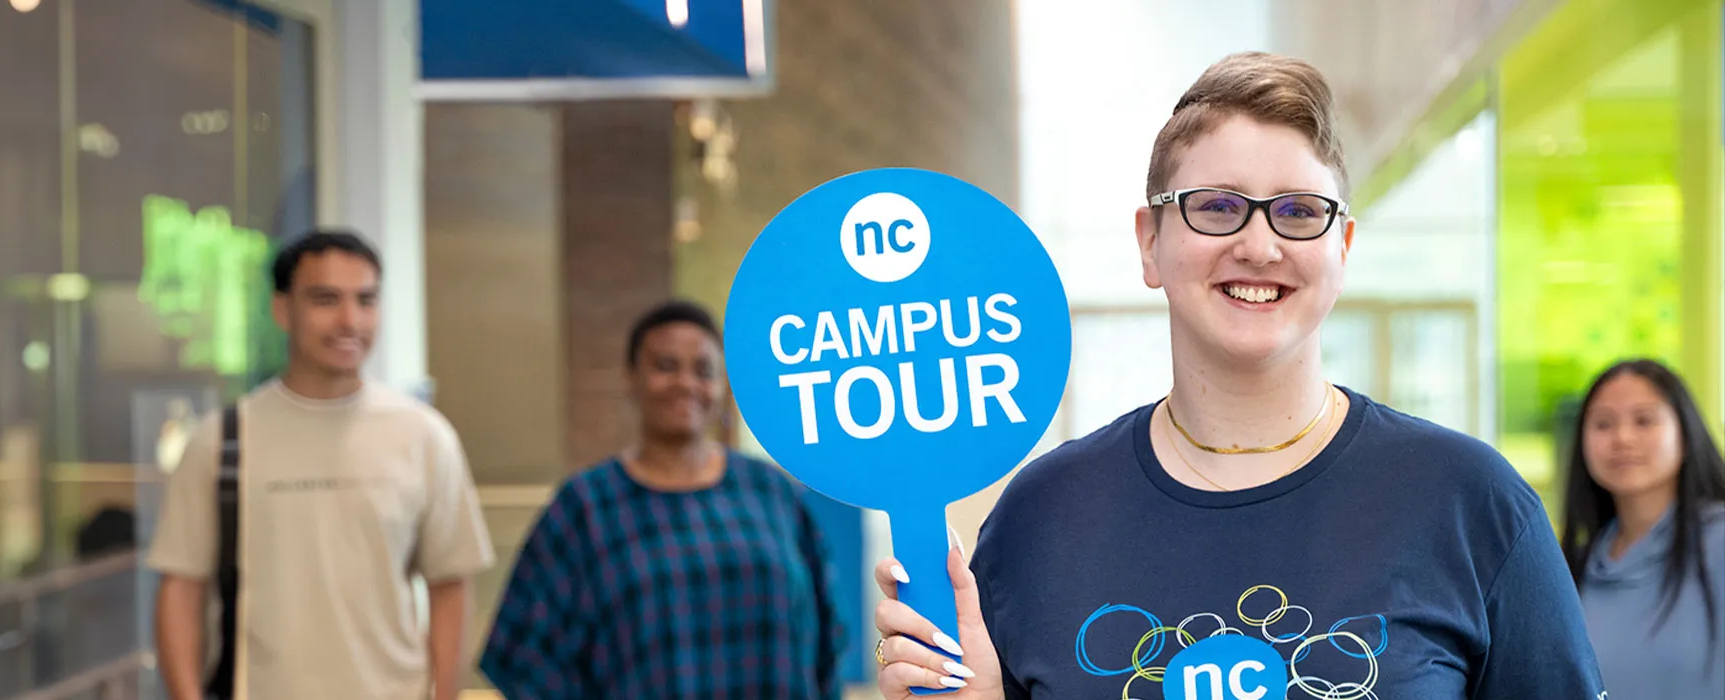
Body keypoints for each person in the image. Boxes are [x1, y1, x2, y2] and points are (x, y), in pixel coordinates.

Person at [866, 52, 1607, 699]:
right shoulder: (1040, 520)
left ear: (1342, 248)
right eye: (1217, 207)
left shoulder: (1470, 504)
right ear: (1150, 242)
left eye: (1299, 211)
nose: (1259, 243)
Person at [148, 230, 495, 700]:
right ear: (282, 310)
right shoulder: (223, 440)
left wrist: (443, 695)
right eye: (326, 300)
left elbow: (450, 587)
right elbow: (182, 589)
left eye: (366, 300)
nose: (350, 320)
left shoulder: (424, 438)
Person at [479, 299, 849, 698]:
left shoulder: (771, 493)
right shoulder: (586, 508)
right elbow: (523, 656)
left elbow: (828, 635)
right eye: (665, 366)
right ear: (631, 378)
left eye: (703, 370)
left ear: (723, 386)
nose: (685, 384)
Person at [1562, 358, 1725, 697]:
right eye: (1603, 424)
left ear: (1685, 430)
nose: (1623, 438)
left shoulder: (1718, 541)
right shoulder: (1570, 565)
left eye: (1644, 420)